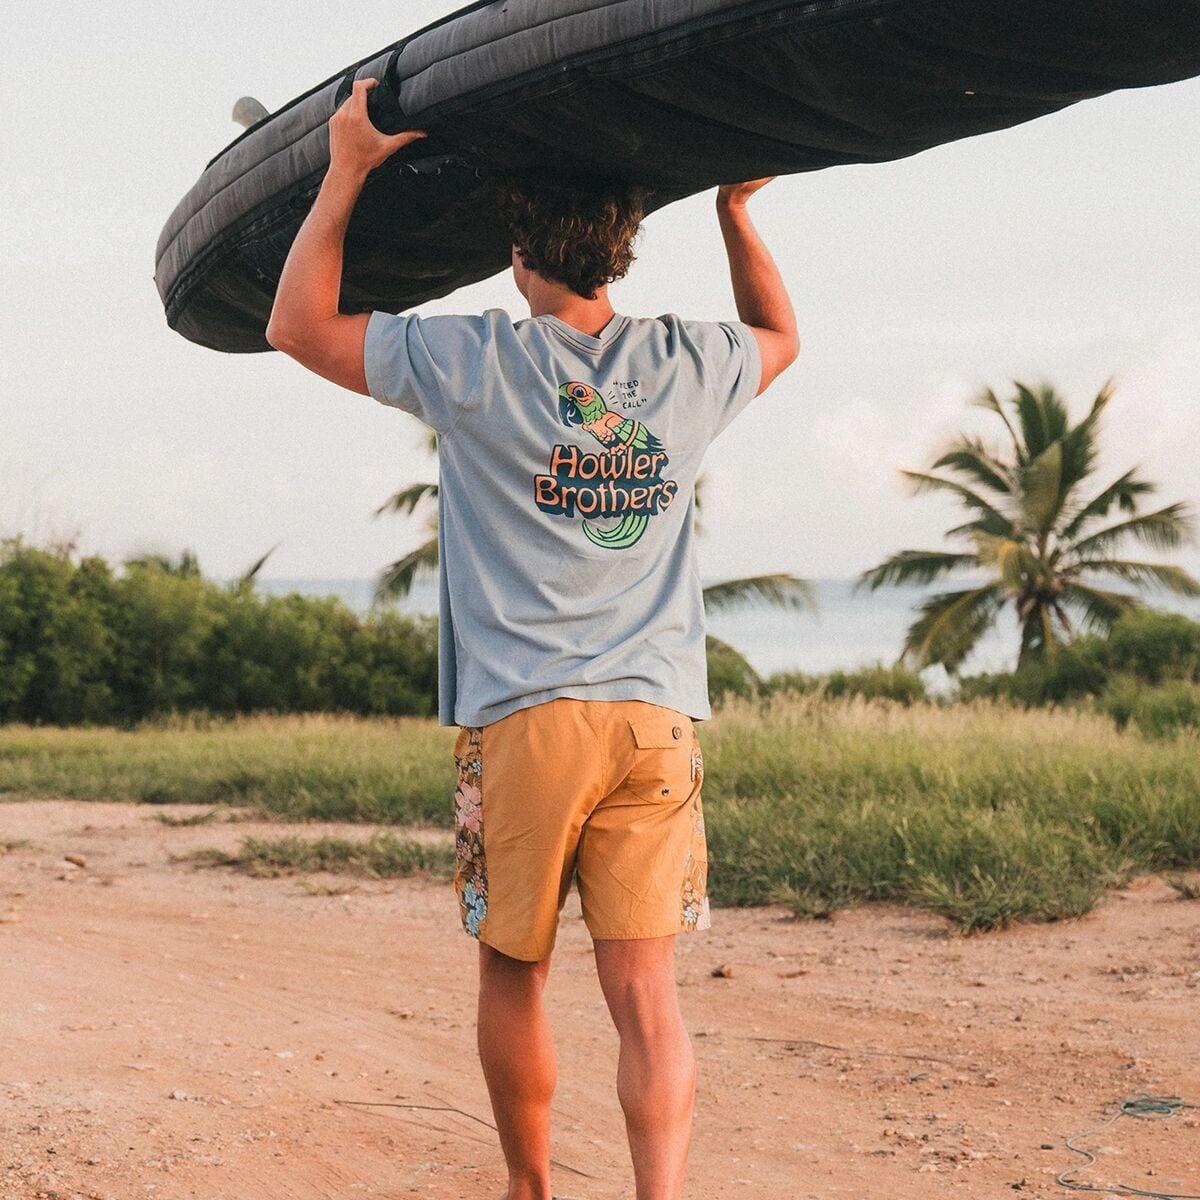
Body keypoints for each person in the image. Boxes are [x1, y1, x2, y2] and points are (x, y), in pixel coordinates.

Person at [267, 78, 798, 1200]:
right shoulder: (689, 365)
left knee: (514, 973)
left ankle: (530, 1188)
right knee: (647, 995)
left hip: (523, 723)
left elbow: (294, 326)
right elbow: (780, 334)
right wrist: (739, 214)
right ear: (624, 249)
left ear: (519, 252)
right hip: (656, 722)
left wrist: (349, 170)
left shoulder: (476, 361)